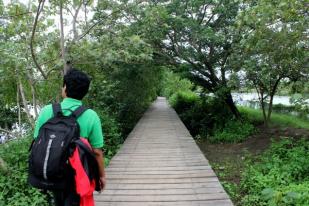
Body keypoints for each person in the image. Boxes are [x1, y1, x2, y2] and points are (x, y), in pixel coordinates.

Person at [33, 69, 106, 205]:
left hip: (51, 171)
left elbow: (37, 142)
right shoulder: (91, 115)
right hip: (77, 174)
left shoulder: (47, 111)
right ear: (85, 91)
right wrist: (101, 176)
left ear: (65, 87)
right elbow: (97, 152)